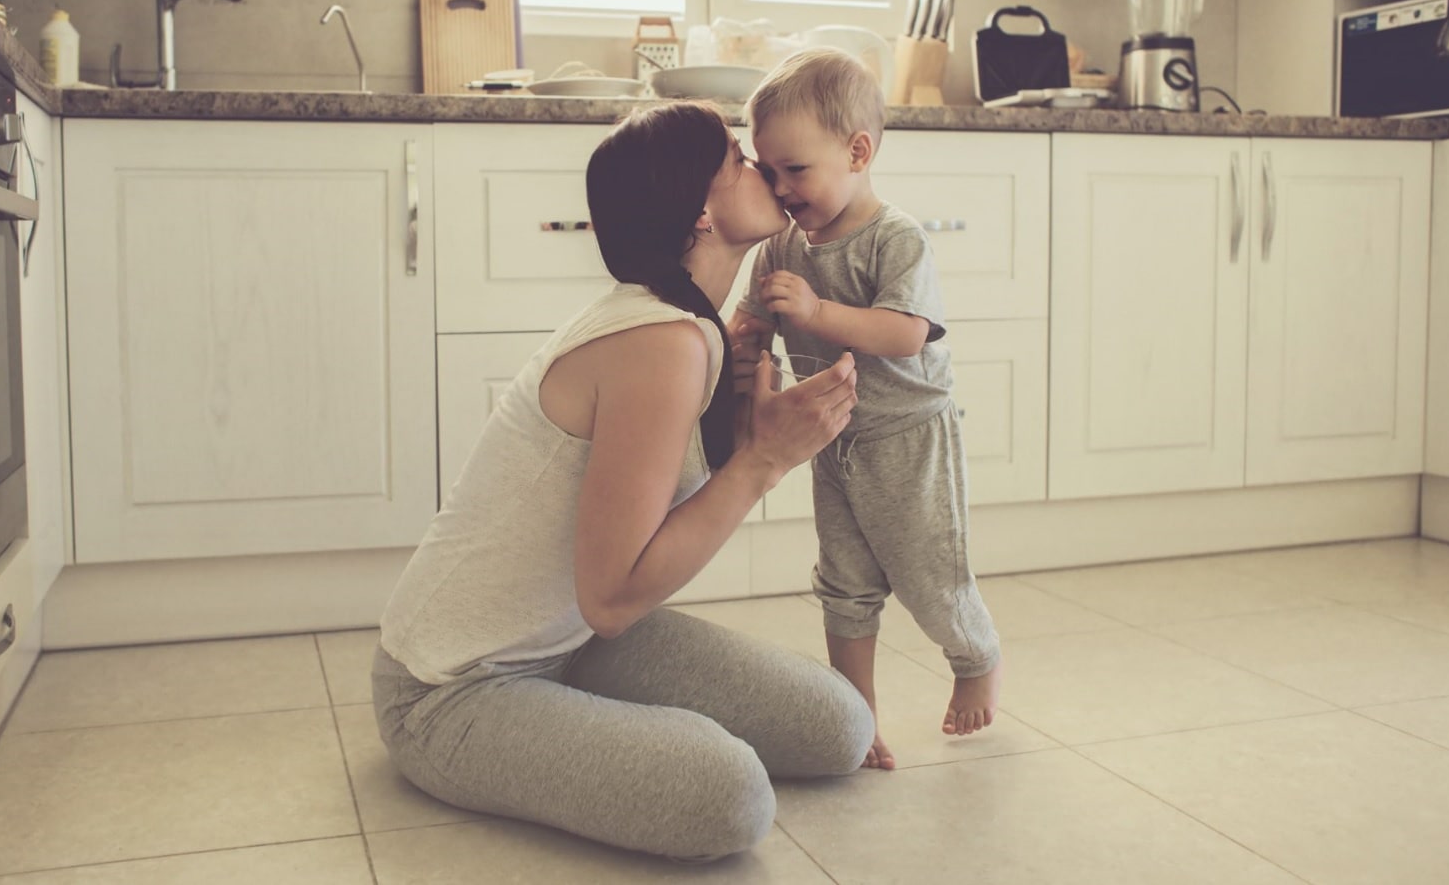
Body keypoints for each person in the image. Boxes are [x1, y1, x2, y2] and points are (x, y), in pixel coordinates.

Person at [372, 100, 873, 862]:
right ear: (701, 210)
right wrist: (763, 459)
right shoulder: (657, 342)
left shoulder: (685, 325)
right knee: (729, 798)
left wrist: (743, 432)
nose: (761, 165)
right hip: (449, 687)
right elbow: (614, 597)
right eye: (737, 159)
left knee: (838, 727)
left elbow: (614, 588)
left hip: (571, 640)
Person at [730, 48, 1003, 771]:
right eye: (768, 172)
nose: (781, 189)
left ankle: (974, 656)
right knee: (843, 583)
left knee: (927, 574)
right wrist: (742, 337)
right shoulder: (779, 248)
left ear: (857, 151)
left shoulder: (895, 239)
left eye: (796, 170)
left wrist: (817, 310)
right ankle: (856, 717)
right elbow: (752, 322)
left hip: (910, 437)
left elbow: (906, 334)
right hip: (834, 441)